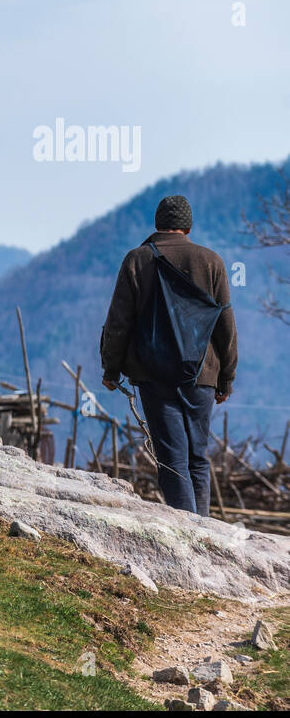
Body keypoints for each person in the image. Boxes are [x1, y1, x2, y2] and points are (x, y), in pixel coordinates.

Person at [99, 195, 237, 516]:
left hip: (153, 374)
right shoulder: (211, 262)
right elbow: (226, 326)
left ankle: (188, 534)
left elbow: (119, 322)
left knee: (172, 459)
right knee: (197, 458)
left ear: (158, 224)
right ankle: (202, 531)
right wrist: (226, 378)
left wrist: (111, 369)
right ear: (188, 227)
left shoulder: (137, 260)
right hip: (202, 374)